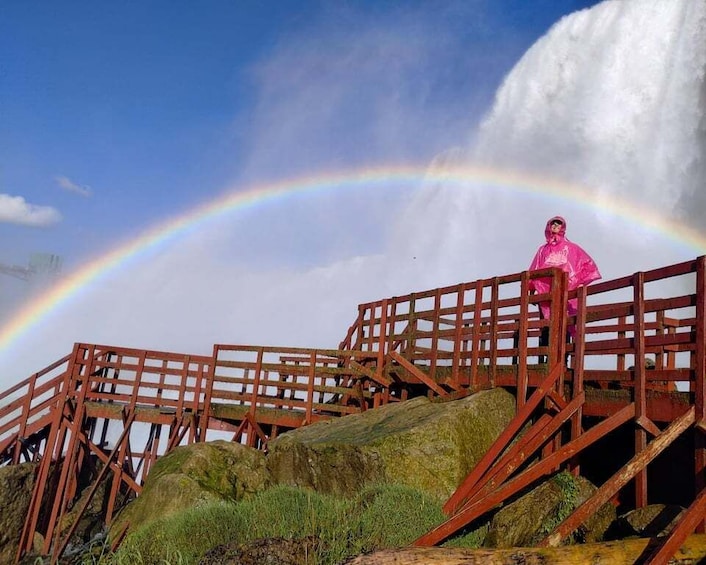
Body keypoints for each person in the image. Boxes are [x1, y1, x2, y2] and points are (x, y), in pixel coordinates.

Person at [528, 216, 601, 342]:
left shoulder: (571, 248)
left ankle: (563, 357)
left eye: (558, 224)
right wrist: (532, 290)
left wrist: (580, 282)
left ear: (563, 227)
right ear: (548, 227)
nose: (555, 226)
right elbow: (534, 270)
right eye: (553, 224)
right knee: (547, 324)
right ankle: (547, 357)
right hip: (546, 294)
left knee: (565, 322)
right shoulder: (543, 250)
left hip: (566, 292)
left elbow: (587, 264)